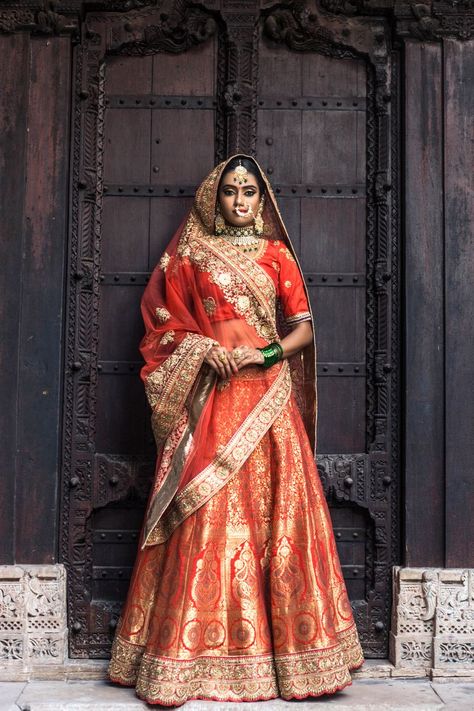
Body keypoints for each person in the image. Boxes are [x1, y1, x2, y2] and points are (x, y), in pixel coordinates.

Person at [108, 154, 364, 705]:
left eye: (249, 190)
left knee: (280, 522)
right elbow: (161, 322)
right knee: (206, 514)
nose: (241, 200)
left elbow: (303, 329)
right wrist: (203, 349)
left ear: (261, 198)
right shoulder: (189, 257)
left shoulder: (276, 255)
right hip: (211, 401)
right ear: (213, 197)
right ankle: (190, 660)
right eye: (230, 191)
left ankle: (295, 664)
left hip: (269, 402)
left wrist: (260, 354)